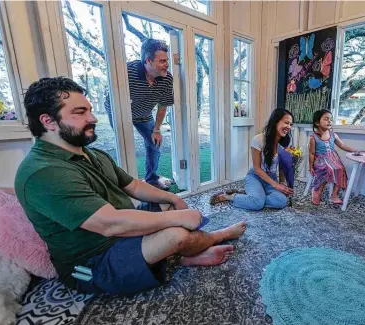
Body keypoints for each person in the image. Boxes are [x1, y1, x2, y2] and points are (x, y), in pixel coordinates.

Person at [15, 77, 246, 295]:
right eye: (80, 112)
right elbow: (110, 225)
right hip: (93, 261)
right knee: (176, 234)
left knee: (167, 206)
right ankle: (215, 237)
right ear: (48, 121)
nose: (93, 118)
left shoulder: (91, 154)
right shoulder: (43, 172)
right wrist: (179, 217)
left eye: (90, 110)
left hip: (121, 231)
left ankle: (183, 258)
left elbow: (133, 186)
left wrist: (174, 200)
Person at [105, 39, 173, 190]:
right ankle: (124, 185)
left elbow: (163, 105)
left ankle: (152, 179)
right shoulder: (127, 71)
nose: (167, 64)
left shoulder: (166, 78)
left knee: (154, 143)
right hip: (120, 112)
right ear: (148, 61)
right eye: (162, 61)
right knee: (123, 144)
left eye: (166, 60)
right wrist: (120, 120)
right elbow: (112, 96)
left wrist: (157, 130)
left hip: (143, 113)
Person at [209, 109, 294, 210]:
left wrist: (282, 183)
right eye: (286, 122)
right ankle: (229, 197)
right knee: (257, 203)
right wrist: (276, 186)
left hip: (271, 178)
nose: (289, 127)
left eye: (290, 124)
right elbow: (257, 169)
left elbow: (282, 166)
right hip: (255, 176)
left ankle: (252, 198)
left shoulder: (284, 143)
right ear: (275, 121)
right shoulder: (258, 140)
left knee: (281, 201)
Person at [309, 109, 359, 205]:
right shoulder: (313, 137)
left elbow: (342, 146)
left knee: (340, 169)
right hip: (320, 160)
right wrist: (310, 166)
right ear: (317, 122)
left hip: (333, 159)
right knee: (328, 169)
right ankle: (317, 191)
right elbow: (311, 153)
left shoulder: (333, 135)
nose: (329, 121)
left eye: (331, 119)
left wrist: (355, 150)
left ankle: (334, 194)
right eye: (326, 119)